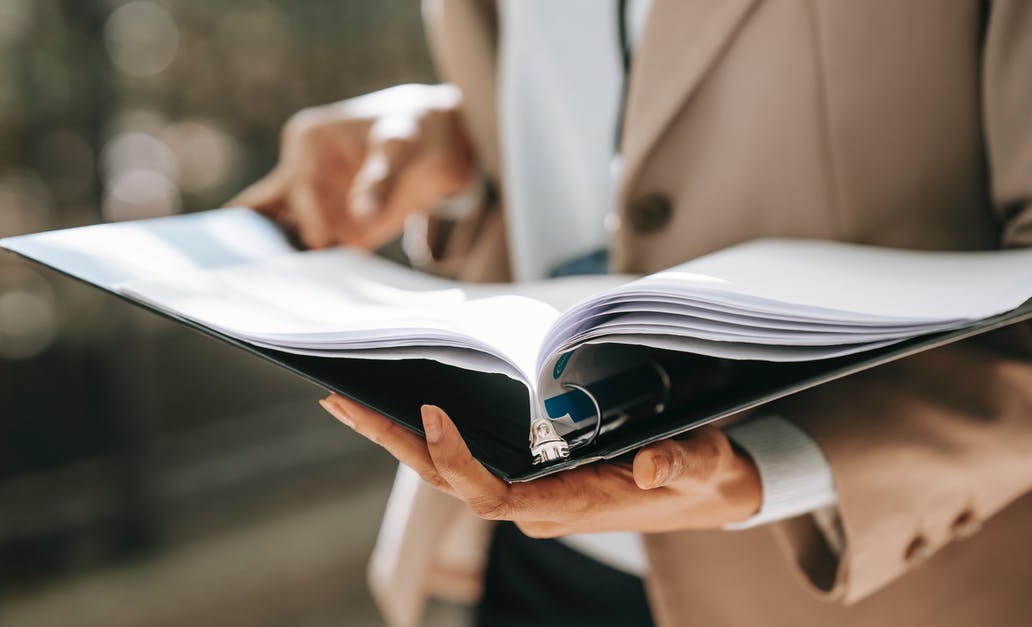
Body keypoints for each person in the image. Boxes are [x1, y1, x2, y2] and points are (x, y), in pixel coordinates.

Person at [232, 1, 1032, 626]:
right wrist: (458, 148)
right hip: (545, 556)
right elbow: (603, 125)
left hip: (857, 575)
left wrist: (778, 466)